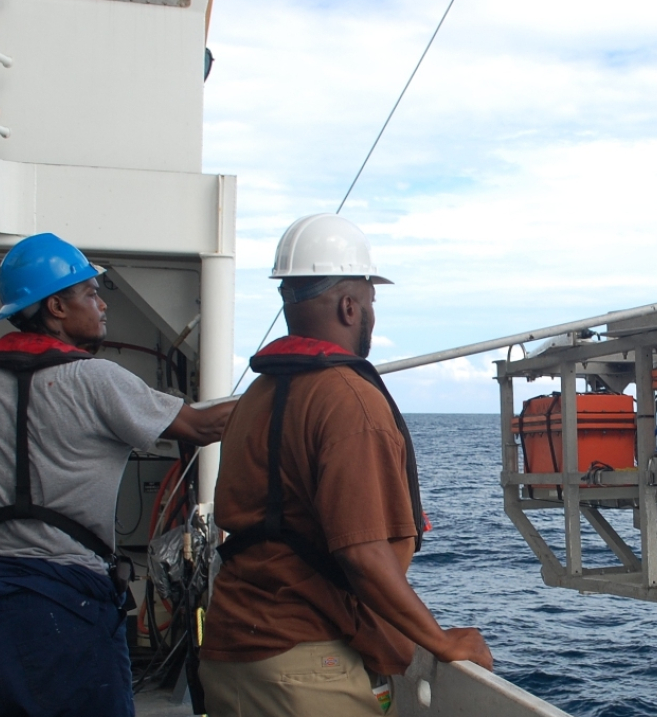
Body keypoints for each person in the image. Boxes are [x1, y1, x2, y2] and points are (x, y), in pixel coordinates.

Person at [200, 214, 491, 717]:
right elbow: (364, 556)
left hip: (232, 653)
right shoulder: (350, 400)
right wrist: (441, 642)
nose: (372, 313)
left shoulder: (256, 396)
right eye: (371, 301)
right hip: (302, 665)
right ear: (350, 306)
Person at [0, 232, 234, 716]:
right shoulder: (95, 380)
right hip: (67, 599)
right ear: (57, 307)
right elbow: (202, 426)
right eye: (90, 293)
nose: (103, 305)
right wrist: (285, 391)